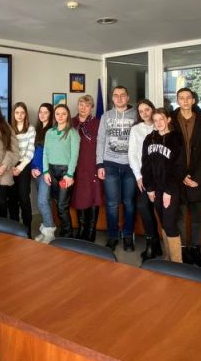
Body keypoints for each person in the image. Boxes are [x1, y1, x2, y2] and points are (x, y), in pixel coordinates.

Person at [140, 108, 186, 263]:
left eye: (161, 119)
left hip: (170, 189)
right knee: (163, 224)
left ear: (168, 120)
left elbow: (179, 167)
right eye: (156, 120)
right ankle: (168, 258)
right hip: (155, 189)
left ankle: (177, 263)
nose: (158, 123)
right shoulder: (149, 138)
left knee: (170, 223)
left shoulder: (176, 138)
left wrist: (169, 190)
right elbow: (145, 165)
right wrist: (149, 188)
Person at [173, 87, 201, 266]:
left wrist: (198, 177)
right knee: (180, 216)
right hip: (178, 177)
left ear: (193, 100)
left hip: (198, 177)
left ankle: (195, 249)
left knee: (197, 217)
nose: (185, 101)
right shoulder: (171, 120)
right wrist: (181, 176)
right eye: (181, 98)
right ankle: (182, 249)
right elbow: (170, 152)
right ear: (177, 101)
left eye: (188, 98)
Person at [96, 86, 138, 251]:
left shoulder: (136, 115)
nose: (119, 98)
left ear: (128, 97)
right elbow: (100, 140)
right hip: (110, 165)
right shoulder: (106, 116)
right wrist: (99, 164)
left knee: (129, 203)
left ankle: (128, 236)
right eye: (116, 95)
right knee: (112, 203)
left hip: (131, 166)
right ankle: (112, 236)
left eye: (122, 95)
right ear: (112, 98)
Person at [42, 104, 80, 240]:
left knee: (62, 205)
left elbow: (74, 155)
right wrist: (45, 171)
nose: (60, 116)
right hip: (52, 171)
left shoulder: (73, 133)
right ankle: (63, 232)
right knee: (57, 203)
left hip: (65, 172)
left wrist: (70, 174)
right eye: (57, 114)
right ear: (54, 115)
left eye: (63, 113)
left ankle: (68, 235)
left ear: (68, 115)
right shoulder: (49, 132)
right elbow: (45, 153)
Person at [128, 99, 159, 260]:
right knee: (143, 206)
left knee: (160, 210)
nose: (145, 113)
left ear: (152, 109)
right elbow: (132, 154)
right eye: (141, 111)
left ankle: (161, 244)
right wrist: (138, 177)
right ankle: (151, 243)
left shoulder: (160, 125)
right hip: (144, 176)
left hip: (161, 176)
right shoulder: (136, 129)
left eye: (147, 109)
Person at [70, 95, 103, 242]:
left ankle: (91, 231)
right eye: (81, 104)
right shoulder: (71, 122)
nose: (83, 108)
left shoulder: (98, 123)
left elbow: (103, 145)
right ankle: (82, 228)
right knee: (80, 196)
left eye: (87, 105)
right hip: (76, 166)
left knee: (93, 196)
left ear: (92, 108)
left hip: (92, 165)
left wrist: (100, 165)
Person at [8, 102, 36, 236]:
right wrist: (11, 166)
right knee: (12, 199)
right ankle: (14, 229)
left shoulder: (30, 129)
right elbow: (6, 150)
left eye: (22, 113)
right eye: (17, 112)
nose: (19, 115)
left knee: (24, 198)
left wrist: (19, 167)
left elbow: (30, 151)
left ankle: (27, 230)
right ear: (13, 114)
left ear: (26, 114)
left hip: (24, 166)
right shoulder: (8, 128)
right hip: (10, 166)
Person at [31, 103, 56, 243]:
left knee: (42, 202)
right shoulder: (38, 130)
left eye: (45, 112)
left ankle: (50, 233)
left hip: (46, 172)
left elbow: (49, 155)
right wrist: (33, 168)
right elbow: (34, 153)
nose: (42, 114)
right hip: (36, 172)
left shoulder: (52, 131)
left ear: (50, 114)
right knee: (44, 202)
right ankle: (45, 230)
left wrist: (40, 169)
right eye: (40, 112)